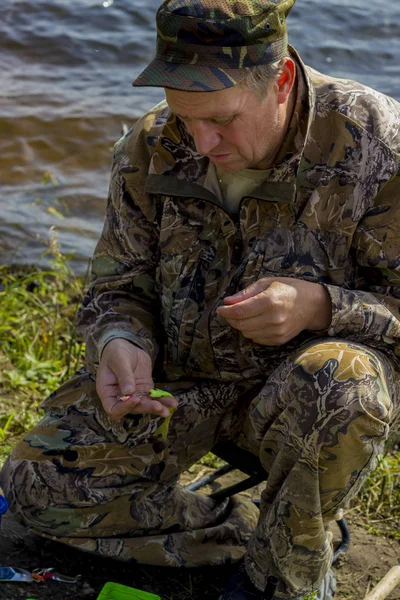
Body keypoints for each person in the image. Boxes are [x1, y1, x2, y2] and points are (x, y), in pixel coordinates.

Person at [1, 0, 400, 598]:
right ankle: (243, 540)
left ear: (282, 81)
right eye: (185, 116)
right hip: (181, 390)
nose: (202, 140)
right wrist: (120, 341)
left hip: (309, 404)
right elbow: (117, 286)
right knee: (36, 485)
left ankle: (284, 580)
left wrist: (321, 306)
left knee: (341, 383)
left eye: (223, 118)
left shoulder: (377, 144)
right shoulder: (152, 144)